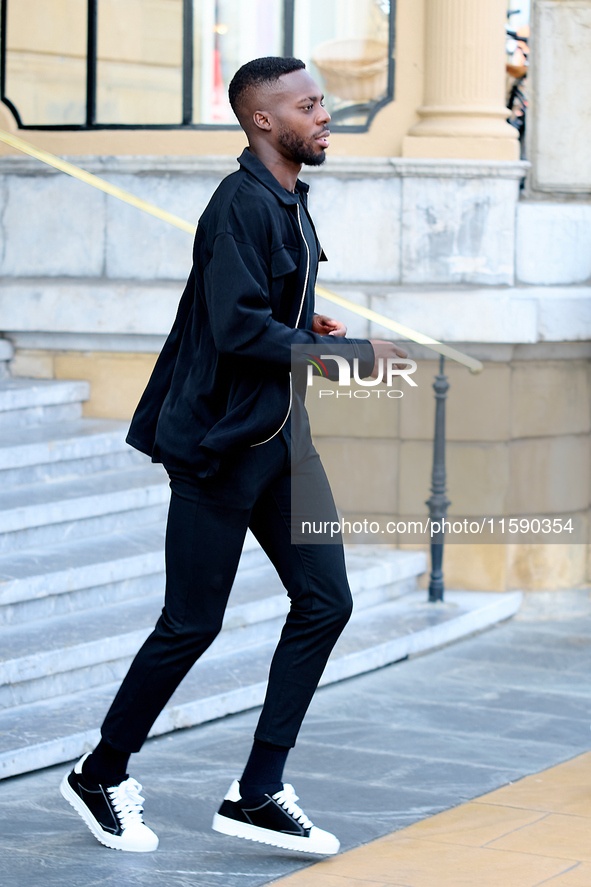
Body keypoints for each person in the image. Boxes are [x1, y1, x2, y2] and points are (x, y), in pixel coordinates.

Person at [60, 56, 406, 856]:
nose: (325, 115)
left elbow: (268, 305)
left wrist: (309, 324)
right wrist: (346, 353)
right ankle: (101, 770)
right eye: (309, 105)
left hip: (283, 437)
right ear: (262, 120)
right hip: (221, 444)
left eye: (323, 101)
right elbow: (238, 327)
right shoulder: (237, 205)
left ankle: (257, 790)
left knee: (326, 601)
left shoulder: (288, 197)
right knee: (191, 621)